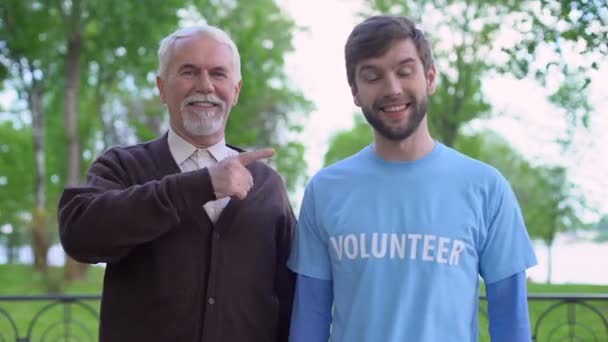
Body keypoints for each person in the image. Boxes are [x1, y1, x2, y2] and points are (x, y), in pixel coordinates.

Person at [287, 15, 537, 342]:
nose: (392, 89)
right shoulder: (325, 190)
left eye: (404, 72)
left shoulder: (486, 188)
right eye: (372, 76)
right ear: (355, 91)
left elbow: (510, 321)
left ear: (429, 77)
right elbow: (310, 318)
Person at [58, 24, 296, 342]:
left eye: (218, 73)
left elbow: (292, 295)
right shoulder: (123, 166)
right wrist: (201, 184)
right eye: (188, 72)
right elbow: (79, 236)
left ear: (236, 91)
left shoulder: (268, 186)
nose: (205, 85)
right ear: (161, 87)